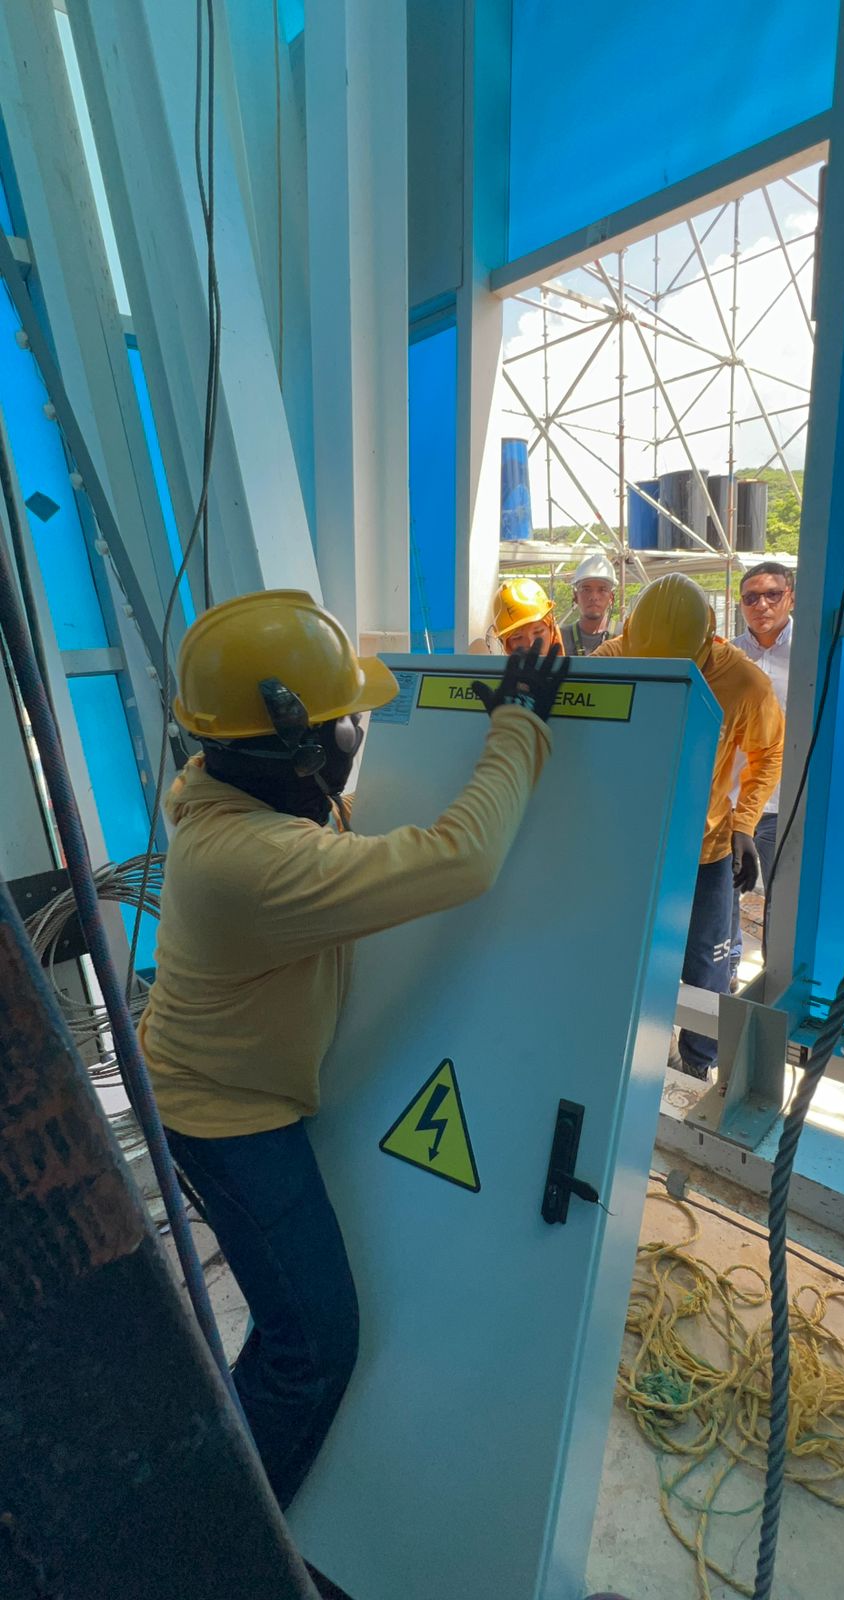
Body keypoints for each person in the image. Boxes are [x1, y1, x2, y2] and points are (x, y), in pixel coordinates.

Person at [138, 589, 568, 1517]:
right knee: (314, 1342)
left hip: (229, 1081)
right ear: (302, 745)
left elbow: (343, 834)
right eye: (343, 723)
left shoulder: (224, 793)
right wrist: (521, 723)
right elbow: (463, 860)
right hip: (224, 1116)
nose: (353, 736)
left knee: (288, 1312)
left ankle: (232, 1472)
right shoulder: (251, 863)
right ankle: (228, 1541)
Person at [592, 574, 784, 1080]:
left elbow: (769, 754)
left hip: (703, 851)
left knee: (706, 965)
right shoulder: (609, 663)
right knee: (623, 953)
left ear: (710, 642)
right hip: (625, 846)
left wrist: (744, 824)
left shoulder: (742, 683)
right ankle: (630, 1051)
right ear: (629, 633)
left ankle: (697, 1067)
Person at [729, 560, 795, 985]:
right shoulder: (728, 656)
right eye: (751, 597)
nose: (762, 605)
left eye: (772, 594)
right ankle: (725, 979)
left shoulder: (813, 651)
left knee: (784, 904)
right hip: (736, 804)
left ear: (790, 596)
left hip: (790, 801)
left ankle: (776, 985)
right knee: (724, 901)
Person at [490, 576, 565, 656]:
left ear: (551, 629)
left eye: (538, 632)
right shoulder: (486, 668)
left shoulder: (576, 666)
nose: (530, 644)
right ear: (505, 643)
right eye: (517, 637)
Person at [561, 551, 617, 655]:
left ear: (611, 597)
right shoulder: (561, 638)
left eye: (602, 590)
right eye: (586, 589)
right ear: (575, 596)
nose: (594, 597)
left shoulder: (624, 636)